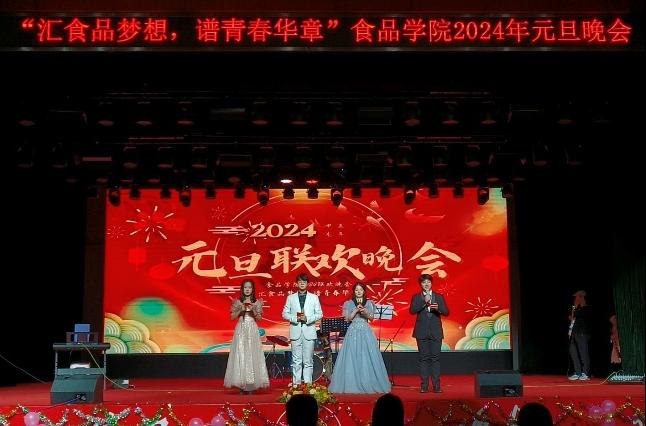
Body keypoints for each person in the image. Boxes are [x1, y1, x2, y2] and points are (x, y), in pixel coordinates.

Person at [329, 282, 391, 393]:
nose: (358, 292)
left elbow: (371, 318)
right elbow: (347, 319)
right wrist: (355, 310)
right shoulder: (349, 303)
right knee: (351, 355)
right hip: (353, 331)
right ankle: (351, 383)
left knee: (367, 355)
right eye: (356, 290)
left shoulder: (369, 303)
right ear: (354, 291)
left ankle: (369, 382)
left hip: (365, 331)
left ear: (364, 291)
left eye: (361, 290)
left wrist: (365, 311)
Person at [223, 279, 270, 393]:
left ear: (252, 289)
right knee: (241, 354)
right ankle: (241, 383)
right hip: (241, 329)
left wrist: (254, 310)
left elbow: (259, 319)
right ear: (242, 289)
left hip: (252, 329)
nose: (247, 289)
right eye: (245, 287)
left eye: (249, 287)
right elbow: (232, 317)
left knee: (252, 354)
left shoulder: (257, 302)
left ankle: (251, 384)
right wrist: (241, 310)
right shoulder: (237, 302)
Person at [409, 273, 449, 393]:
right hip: (421, 332)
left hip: (436, 331)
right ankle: (424, 386)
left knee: (436, 359)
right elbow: (412, 311)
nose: (426, 284)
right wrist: (424, 302)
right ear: (421, 284)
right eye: (424, 282)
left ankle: (437, 386)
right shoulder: (417, 297)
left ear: (431, 283)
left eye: (428, 282)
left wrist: (438, 308)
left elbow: (446, 312)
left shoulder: (439, 296)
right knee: (423, 359)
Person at [282, 273, 323, 385]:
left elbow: (319, 314)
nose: (302, 283)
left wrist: (307, 318)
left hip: (309, 332)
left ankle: (308, 385)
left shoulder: (314, 297)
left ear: (307, 283)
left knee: (308, 361)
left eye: (304, 282)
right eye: (300, 281)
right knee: (296, 360)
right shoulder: (290, 298)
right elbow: (284, 313)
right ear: (297, 283)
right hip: (295, 331)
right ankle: (296, 385)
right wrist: (295, 318)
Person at [568, 290, 592, 381]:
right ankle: (578, 372)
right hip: (574, 333)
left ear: (582, 297)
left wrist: (574, 308)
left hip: (582, 333)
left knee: (583, 352)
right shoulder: (578, 309)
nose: (575, 299)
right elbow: (572, 318)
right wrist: (574, 307)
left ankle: (586, 373)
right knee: (573, 351)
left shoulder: (586, 308)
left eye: (577, 297)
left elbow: (573, 316)